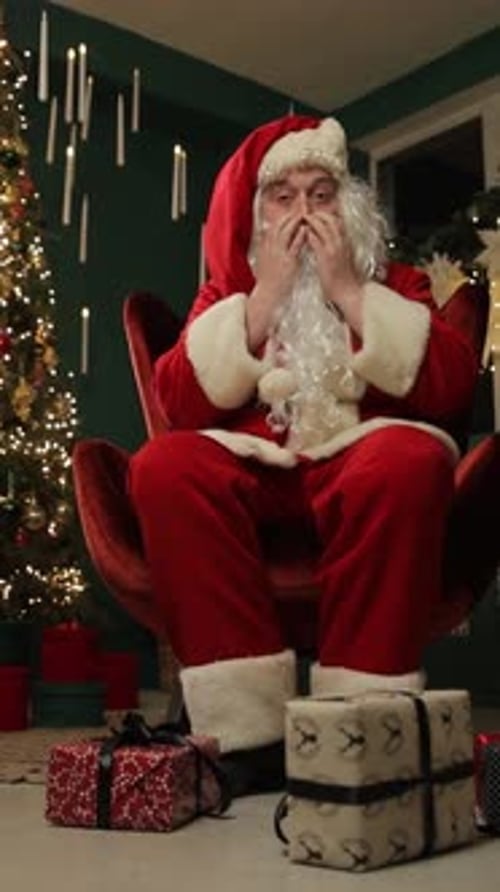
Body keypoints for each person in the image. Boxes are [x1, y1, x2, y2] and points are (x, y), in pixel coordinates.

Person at [128, 115, 478, 795]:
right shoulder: (227, 294)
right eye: (283, 197)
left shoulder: (396, 282)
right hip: (257, 473)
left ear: (349, 210)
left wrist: (350, 291)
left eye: (322, 194)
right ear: (256, 215)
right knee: (164, 467)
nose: (304, 215)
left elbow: (450, 385)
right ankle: (249, 736)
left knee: (408, 459)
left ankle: (361, 726)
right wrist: (261, 303)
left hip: (360, 463)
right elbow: (177, 400)